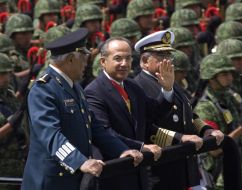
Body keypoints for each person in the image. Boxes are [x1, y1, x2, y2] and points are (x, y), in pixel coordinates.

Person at [21, 28, 143, 190]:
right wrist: (79, 161)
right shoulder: (44, 89)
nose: (86, 64)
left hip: (74, 178)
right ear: (71, 59)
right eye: (84, 58)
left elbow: (95, 127)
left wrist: (122, 150)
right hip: (51, 181)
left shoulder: (74, 87)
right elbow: (50, 135)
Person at [84, 33, 181, 189]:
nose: (124, 63)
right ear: (103, 62)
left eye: (128, 58)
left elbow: (154, 113)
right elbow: (104, 131)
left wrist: (167, 89)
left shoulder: (132, 86)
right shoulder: (94, 92)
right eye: (118, 58)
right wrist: (141, 146)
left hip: (138, 171)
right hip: (115, 172)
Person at [134, 32, 224, 190]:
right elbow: (147, 129)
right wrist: (180, 138)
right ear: (145, 61)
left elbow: (188, 114)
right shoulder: (138, 87)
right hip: (162, 169)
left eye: (169, 55)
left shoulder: (170, 81)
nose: (167, 60)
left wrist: (206, 130)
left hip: (186, 165)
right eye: (161, 56)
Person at [194, 53, 242, 190]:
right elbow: (214, 150)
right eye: (224, 74)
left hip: (240, 173)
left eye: (230, 73)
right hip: (221, 178)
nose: (230, 78)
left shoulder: (231, 98)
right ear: (212, 77)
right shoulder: (205, 108)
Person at [0, 53, 27, 190]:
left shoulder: (9, 95)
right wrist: (9, 126)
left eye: (7, 73)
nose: (5, 78)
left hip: (18, 163)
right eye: (1, 74)